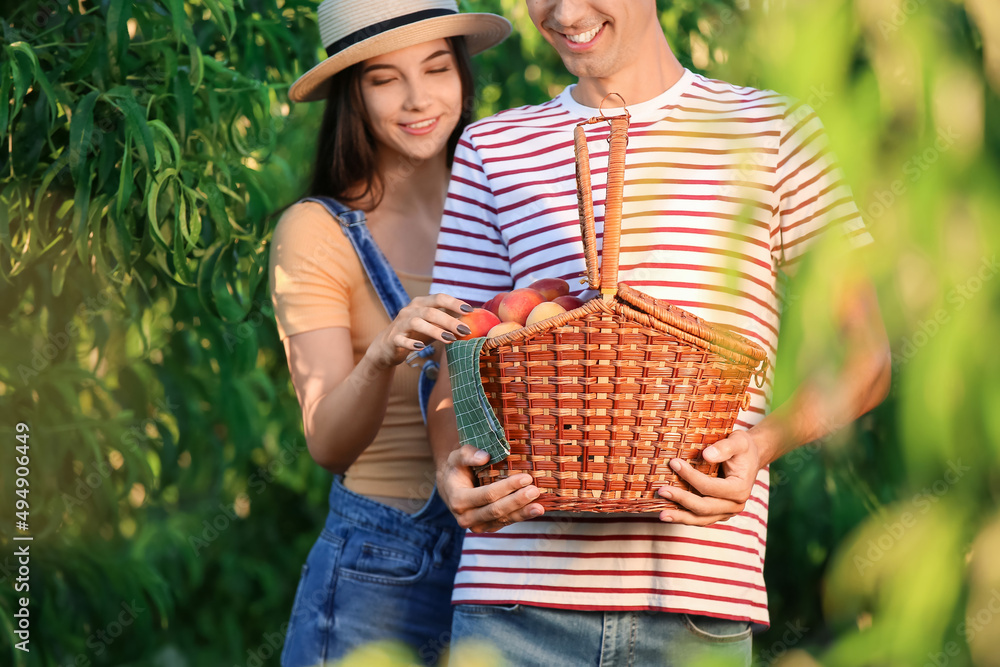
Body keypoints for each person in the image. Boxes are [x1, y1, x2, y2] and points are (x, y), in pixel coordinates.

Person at [427, 1, 891, 665]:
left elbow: (866, 355)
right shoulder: (492, 149)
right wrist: (453, 464)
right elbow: (456, 368)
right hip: (513, 609)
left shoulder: (770, 130)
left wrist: (762, 445)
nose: (562, 11)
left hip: (694, 611)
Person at [267, 2, 510, 665]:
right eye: (383, 79)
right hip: (379, 567)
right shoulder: (317, 232)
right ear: (354, 94)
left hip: (503, 566)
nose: (417, 99)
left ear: (461, 73)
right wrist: (381, 354)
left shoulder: (503, 209)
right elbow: (327, 440)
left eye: (436, 68)